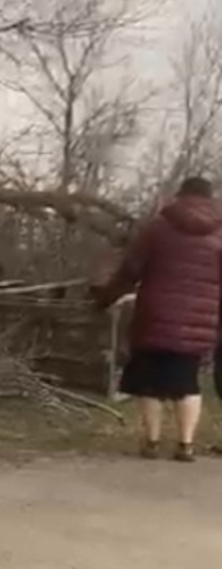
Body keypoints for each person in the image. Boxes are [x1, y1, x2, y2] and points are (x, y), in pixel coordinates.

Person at [92, 176, 222, 462]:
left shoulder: (157, 228)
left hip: (155, 315)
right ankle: (185, 445)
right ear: (210, 199)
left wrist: (105, 298)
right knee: (187, 382)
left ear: (179, 195)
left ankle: (151, 442)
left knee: (149, 380)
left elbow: (130, 269)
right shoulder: (219, 233)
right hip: (199, 322)